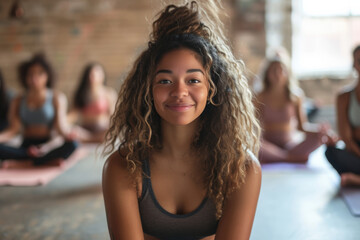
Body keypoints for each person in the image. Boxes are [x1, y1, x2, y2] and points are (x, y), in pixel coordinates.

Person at [102, 1, 262, 239]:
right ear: (148, 90)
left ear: (212, 89)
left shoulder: (241, 169)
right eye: (165, 81)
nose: (179, 92)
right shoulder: (123, 167)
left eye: (193, 80)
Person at [0, 54, 78, 166]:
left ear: (47, 76)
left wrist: (69, 135)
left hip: (47, 145)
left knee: (73, 145)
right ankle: (41, 162)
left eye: (39, 73)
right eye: (30, 74)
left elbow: (60, 128)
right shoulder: (18, 99)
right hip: (26, 147)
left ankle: (24, 163)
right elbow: (13, 129)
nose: (34, 78)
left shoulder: (57, 98)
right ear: (25, 77)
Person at [255, 56, 335, 163]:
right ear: (267, 74)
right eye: (273, 70)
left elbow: (302, 127)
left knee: (320, 137)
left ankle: (281, 157)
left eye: (281, 70)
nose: (278, 73)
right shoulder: (260, 96)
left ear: (287, 73)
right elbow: (254, 127)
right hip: (268, 145)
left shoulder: (296, 97)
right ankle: (288, 158)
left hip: (289, 145)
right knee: (253, 143)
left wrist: (320, 131)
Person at [325, 45, 360, 187]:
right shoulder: (344, 97)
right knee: (331, 152)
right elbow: (347, 138)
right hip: (356, 152)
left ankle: (357, 180)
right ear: (354, 65)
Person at [68, 63, 117, 143]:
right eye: (91, 74)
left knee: (108, 133)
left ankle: (92, 139)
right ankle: (91, 139)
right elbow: (73, 115)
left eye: (97, 73)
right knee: (74, 132)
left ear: (103, 75)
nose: (93, 76)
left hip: (102, 130)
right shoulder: (81, 94)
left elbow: (113, 116)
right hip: (84, 131)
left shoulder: (109, 94)